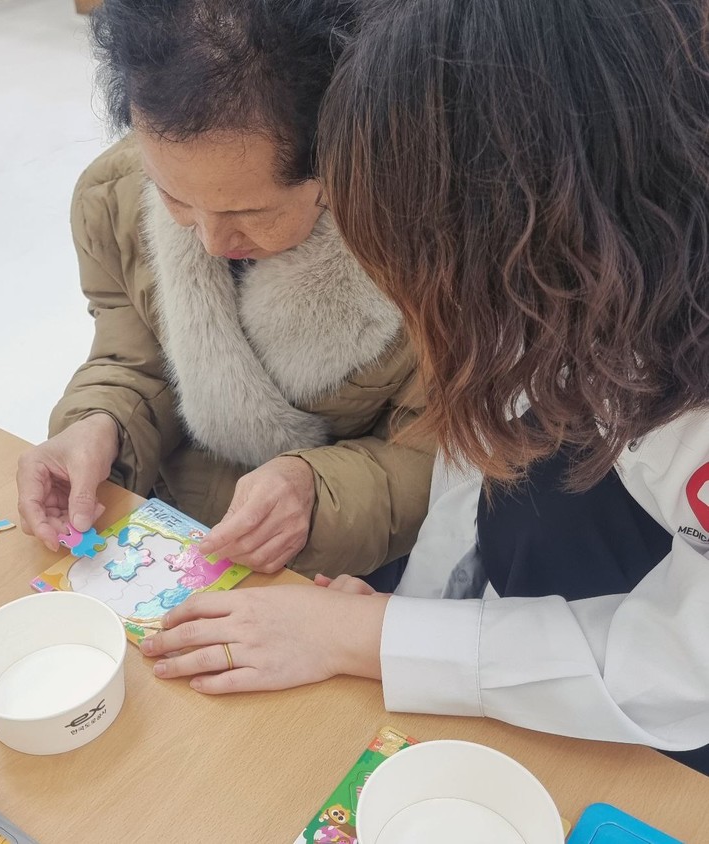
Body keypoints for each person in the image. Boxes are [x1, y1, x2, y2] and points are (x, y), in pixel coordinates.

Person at [138, 0, 709, 775]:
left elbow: (685, 664)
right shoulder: (569, 276)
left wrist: (370, 639)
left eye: (419, 257)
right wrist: (405, 622)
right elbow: (468, 471)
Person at [16, 0, 433, 581]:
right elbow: (134, 361)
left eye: (250, 213)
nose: (212, 242)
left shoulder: (431, 247)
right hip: (169, 536)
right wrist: (98, 423)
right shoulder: (115, 199)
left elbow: (438, 454)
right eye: (174, 197)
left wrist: (317, 491)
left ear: (341, 158)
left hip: (334, 569)